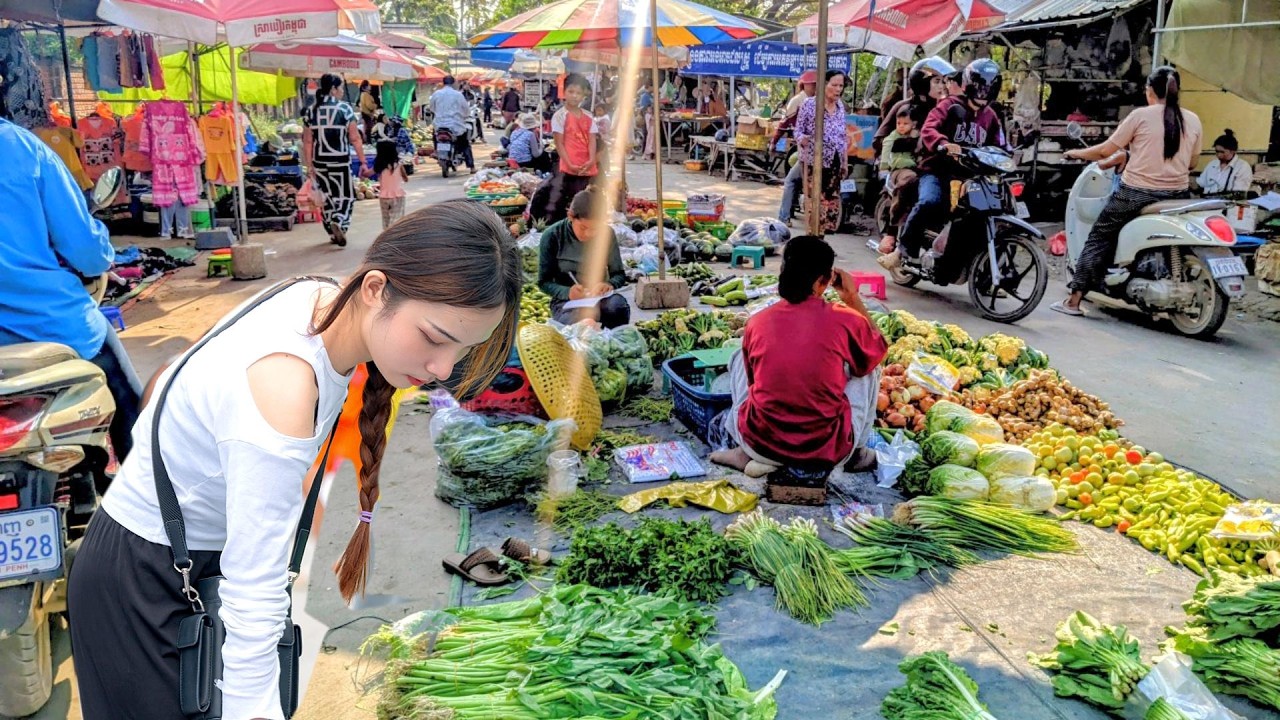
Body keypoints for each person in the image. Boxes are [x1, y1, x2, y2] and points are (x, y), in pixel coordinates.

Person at [68, 200, 522, 720]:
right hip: (142, 577)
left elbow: (169, 382)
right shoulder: (285, 384)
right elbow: (253, 597)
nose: (443, 369)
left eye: (464, 350)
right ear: (376, 289)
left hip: (192, 558)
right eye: (435, 338)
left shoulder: (322, 299)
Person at [0, 117, 144, 461]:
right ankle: (153, 495)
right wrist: (103, 254)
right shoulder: (22, 148)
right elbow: (85, 250)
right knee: (132, 408)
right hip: (49, 322)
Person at [709, 236, 886, 477]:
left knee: (740, 357)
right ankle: (856, 454)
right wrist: (852, 298)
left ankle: (743, 452)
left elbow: (753, 385)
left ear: (783, 272)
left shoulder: (757, 322)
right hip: (827, 451)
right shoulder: (847, 320)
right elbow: (878, 349)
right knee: (869, 367)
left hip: (761, 444)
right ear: (825, 281)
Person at [1052, 66, 1203, 316]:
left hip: (1136, 193)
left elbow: (1104, 152)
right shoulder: (1193, 119)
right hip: (1177, 195)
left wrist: (1075, 152)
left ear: (1149, 91)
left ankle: (1074, 301)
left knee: (1099, 236)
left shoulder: (1140, 116)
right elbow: (1192, 164)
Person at [889, 60, 1005, 273]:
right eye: (979, 86)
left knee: (990, 211)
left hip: (970, 176)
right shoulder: (950, 105)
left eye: (988, 88)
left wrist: (1007, 154)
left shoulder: (991, 116)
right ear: (969, 84)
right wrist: (943, 143)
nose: (982, 93)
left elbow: (999, 143)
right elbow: (929, 129)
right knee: (929, 201)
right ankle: (904, 249)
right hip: (937, 170)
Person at [538, 187, 630, 328]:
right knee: (579, 322)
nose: (588, 234)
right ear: (570, 216)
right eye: (583, 227)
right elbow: (544, 282)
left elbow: (619, 275)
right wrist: (567, 292)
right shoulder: (552, 236)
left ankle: (613, 341)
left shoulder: (607, 234)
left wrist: (608, 285)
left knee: (618, 307)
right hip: (566, 302)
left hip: (599, 298)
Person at [303, 73, 368, 247]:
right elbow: (355, 138)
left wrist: (309, 165)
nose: (341, 92)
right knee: (346, 196)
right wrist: (362, 161)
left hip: (320, 161)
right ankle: (339, 221)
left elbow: (308, 141)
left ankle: (332, 230)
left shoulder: (312, 110)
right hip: (340, 160)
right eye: (339, 88)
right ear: (333, 89)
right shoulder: (345, 109)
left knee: (327, 197)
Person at [794, 70, 850, 234]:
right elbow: (798, 131)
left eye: (841, 86)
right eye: (834, 85)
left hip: (835, 161)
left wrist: (845, 162)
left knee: (830, 200)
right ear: (824, 85)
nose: (838, 89)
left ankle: (822, 237)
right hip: (813, 161)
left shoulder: (840, 107)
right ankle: (813, 236)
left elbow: (842, 136)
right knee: (815, 201)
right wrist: (802, 138)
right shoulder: (810, 104)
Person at [541, 73, 599, 222]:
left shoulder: (588, 116)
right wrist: (570, 163)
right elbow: (559, 143)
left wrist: (591, 159)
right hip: (568, 167)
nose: (574, 96)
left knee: (587, 201)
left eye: (578, 93)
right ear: (564, 92)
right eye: (571, 92)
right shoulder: (559, 116)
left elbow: (592, 140)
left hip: (587, 167)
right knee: (569, 203)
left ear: (583, 95)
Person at [873, 56, 953, 156]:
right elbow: (879, 141)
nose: (943, 86)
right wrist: (910, 141)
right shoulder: (903, 106)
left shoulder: (948, 108)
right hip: (907, 164)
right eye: (937, 81)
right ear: (922, 84)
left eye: (945, 81)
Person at [773, 70, 818, 224]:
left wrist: (774, 141)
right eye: (812, 84)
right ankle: (792, 210)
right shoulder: (827, 102)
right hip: (810, 149)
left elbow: (784, 123)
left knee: (791, 181)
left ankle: (784, 217)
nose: (813, 87)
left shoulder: (800, 101)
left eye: (815, 84)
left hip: (807, 150)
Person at [878, 107, 920, 254]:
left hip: (916, 169)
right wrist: (883, 166)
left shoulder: (918, 135)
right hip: (900, 170)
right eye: (899, 123)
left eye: (905, 123)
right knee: (905, 184)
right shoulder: (893, 137)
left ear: (913, 124)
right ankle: (893, 227)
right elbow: (886, 146)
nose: (901, 126)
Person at [430, 76, 474, 174]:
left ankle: (436, 151)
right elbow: (466, 110)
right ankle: (471, 166)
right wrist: (464, 116)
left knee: (435, 136)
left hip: (439, 125)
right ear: (454, 83)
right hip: (455, 125)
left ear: (443, 83)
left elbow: (432, 108)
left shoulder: (436, 94)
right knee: (465, 143)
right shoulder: (458, 95)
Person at [1198, 128, 1252, 195]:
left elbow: (1238, 194)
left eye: (1222, 152)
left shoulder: (1242, 167)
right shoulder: (1212, 164)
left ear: (1232, 151)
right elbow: (1201, 183)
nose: (1219, 155)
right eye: (1217, 151)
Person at [374, 140, 408, 229]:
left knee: (386, 219)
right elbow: (406, 178)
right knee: (396, 218)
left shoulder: (379, 167)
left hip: (383, 196)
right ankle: (393, 235)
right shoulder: (399, 165)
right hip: (397, 195)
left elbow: (367, 173)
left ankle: (386, 234)